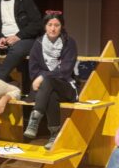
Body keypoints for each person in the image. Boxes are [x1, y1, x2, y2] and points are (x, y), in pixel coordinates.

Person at [23, 11, 78, 150]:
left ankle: (35, 119)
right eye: (50, 25)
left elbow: (65, 70)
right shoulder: (38, 43)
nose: (53, 28)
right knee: (50, 92)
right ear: (45, 26)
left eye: (56, 25)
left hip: (65, 86)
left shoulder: (69, 42)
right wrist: (44, 77)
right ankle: (54, 135)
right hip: (45, 89)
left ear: (61, 27)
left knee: (48, 81)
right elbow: (33, 70)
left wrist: (43, 76)